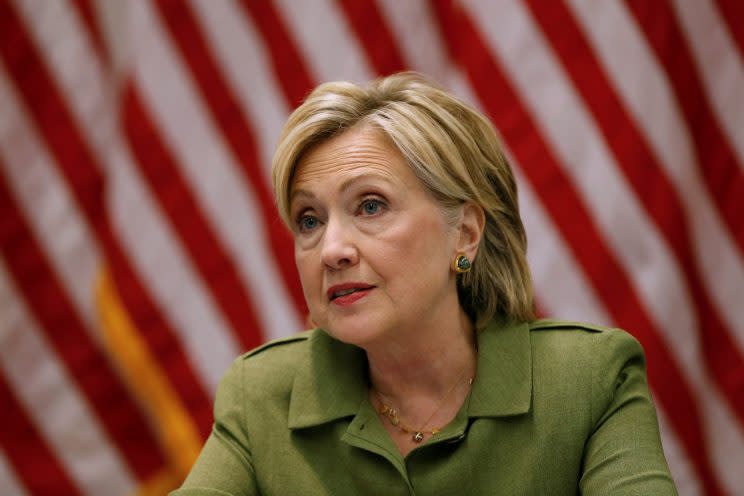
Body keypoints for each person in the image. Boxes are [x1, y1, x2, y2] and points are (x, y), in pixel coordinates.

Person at [172, 72, 676, 495]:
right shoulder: (261, 396)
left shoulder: (588, 381)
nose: (331, 250)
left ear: (466, 233)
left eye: (371, 206)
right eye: (309, 220)